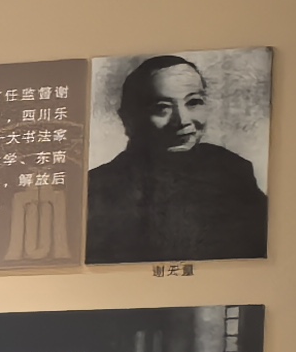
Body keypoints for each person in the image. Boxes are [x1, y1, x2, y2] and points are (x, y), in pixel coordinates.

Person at [82, 54, 268, 264]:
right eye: (162, 107)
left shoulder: (232, 170)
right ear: (128, 119)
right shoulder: (99, 187)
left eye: (193, 102)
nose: (183, 121)